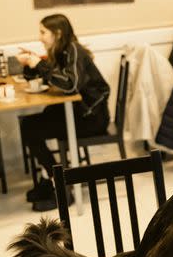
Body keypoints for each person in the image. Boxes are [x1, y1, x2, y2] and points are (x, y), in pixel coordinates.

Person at [17, 14, 110, 212]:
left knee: (30, 127)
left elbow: (70, 84)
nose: (40, 37)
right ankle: (50, 178)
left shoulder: (74, 50)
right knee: (33, 122)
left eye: (43, 32)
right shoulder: (61, 51)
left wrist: (38, 64)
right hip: (78, 112)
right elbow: (49, 77)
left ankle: (59, 185)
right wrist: (29, 65)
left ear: (58, 33)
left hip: (91, 117)